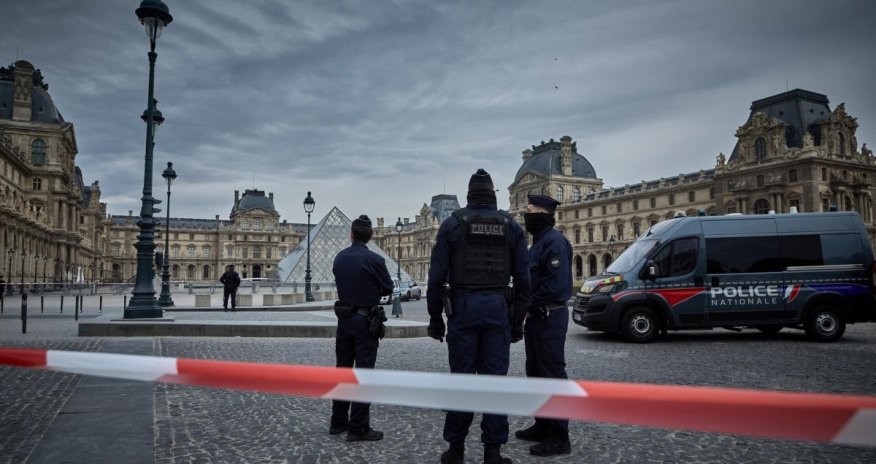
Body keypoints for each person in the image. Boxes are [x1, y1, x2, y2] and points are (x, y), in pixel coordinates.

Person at [427, 169, 530, 464]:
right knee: (495, 382)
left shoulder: (453, 224)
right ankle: (493, 452)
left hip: (463, 309)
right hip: (498, 309)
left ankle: (456, 449)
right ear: (493, 195)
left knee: (461, 380)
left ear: (469, 195)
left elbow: (435, 279)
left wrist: (435, 318)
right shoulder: (511, 227)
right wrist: (517, 321)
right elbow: (524, 282)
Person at [515, 194, 573, 456]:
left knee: (552, 375)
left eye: (529, 211)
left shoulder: (554, 242)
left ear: (543, 214)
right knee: (536, 372)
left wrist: (528, 301)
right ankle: (542, 424)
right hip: (537, 317)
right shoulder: (539, 242)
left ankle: (560, 436)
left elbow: (556, 286)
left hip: (550, 315)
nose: (526, 216)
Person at [330, 215, 393, 442]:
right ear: (370, 236)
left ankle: (338, 422)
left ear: (351, 234)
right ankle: (358, 427)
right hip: (365, 322)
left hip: (344, 320)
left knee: (343, 371)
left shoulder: (339, 258)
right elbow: (388, 287)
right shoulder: (374, 259)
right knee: (363, 374)